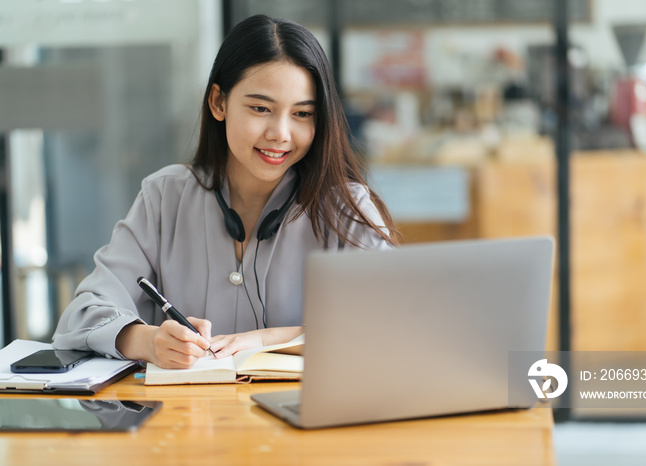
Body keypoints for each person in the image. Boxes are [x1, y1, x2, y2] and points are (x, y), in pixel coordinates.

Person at [53, 14, 398, 369]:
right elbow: (80, 317)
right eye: (261, 108)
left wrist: (265, 340)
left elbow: (395, 321)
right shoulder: (165, 196)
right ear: (219, 102)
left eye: (302, 114)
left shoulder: (343, 206)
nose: (280, 133)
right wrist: (147, 340)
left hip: (303, 420)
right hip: (186, 422)